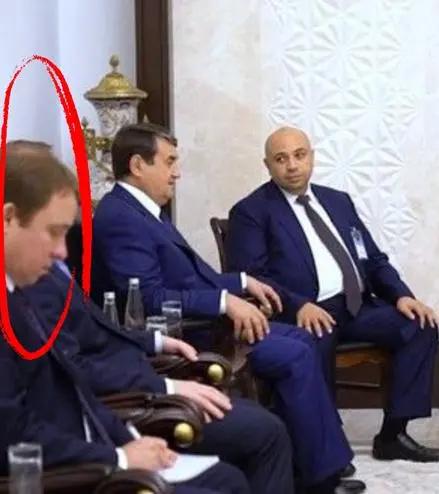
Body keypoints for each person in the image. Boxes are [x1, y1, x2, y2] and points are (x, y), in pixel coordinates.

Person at [91, 123, 365, 494]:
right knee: (295, 352)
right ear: (138, 165)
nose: (177, 172)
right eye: (169, 161)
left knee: (304, 340)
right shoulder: (121, 218)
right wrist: (224, 302)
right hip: (185, 334)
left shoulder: (144, 211)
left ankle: (312, 463)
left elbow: (191, 277)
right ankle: (320, 477)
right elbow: (148, 298)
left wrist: (241, 282)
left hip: (203, 322)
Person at [0, 144, 249, 493]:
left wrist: (129, 439)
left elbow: (74, 388)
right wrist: (119, 458)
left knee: (229, 480)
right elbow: (12, 434)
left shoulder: (17, 291)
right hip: (65, 474)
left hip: (93, 443)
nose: (62, 252)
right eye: (53, 232)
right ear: (8, 219)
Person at [226, 126, 439, 463]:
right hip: (306, 311)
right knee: (315, 340)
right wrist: (299, 305)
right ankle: (326, 451)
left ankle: (393, 435)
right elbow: (253, 276)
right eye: (281, 159)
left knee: (419, 325)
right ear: (267, 165)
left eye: (299, 155)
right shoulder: (251, 211)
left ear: (311, 157)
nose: (292, 165)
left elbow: (373, 259)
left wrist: (402, 296)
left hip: (356, 306)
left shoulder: (337, 201)